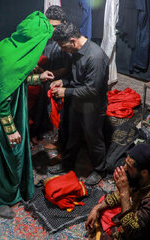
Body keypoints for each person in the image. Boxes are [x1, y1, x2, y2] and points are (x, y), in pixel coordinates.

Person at [0, 11, 54, 219]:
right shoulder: (8, 58)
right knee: (0, 154)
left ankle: (5, 189)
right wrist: (10, 130)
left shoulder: (9, 47)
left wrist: (37, 77)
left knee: (5, 152)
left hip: (2, 103)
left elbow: (14, 80)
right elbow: (2, 96)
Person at [49, 22, 109, 186]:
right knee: (72, 134)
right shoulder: (75, 52)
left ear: (73, 41)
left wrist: (65, 92)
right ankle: (67, 164)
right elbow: (75, 78)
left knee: (93, 139)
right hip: (77, 101)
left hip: (92, 105)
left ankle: (99, 170)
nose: (62, 50)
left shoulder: (95, 57)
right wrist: (63, 81)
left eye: (63, 46)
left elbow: (92, 91)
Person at [85, 144, 150, 240]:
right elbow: (118, 195)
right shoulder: (143, 178)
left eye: (129, 166)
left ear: (144, 172)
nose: (124, 168)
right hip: (139, 224)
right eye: (125, 163)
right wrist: (96, 208)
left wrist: (124, 193)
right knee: (104, 209)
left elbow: (131, 232)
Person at [29, 5, 71, 149]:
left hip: (63, 79)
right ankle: (35, 131)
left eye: (55, 26)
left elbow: (67, 68)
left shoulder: (68, 39)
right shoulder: (43, 35)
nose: (52, 29)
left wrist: (46, 73)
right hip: (43, 77)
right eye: (49, 25)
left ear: (63, 24)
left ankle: (60, 140)